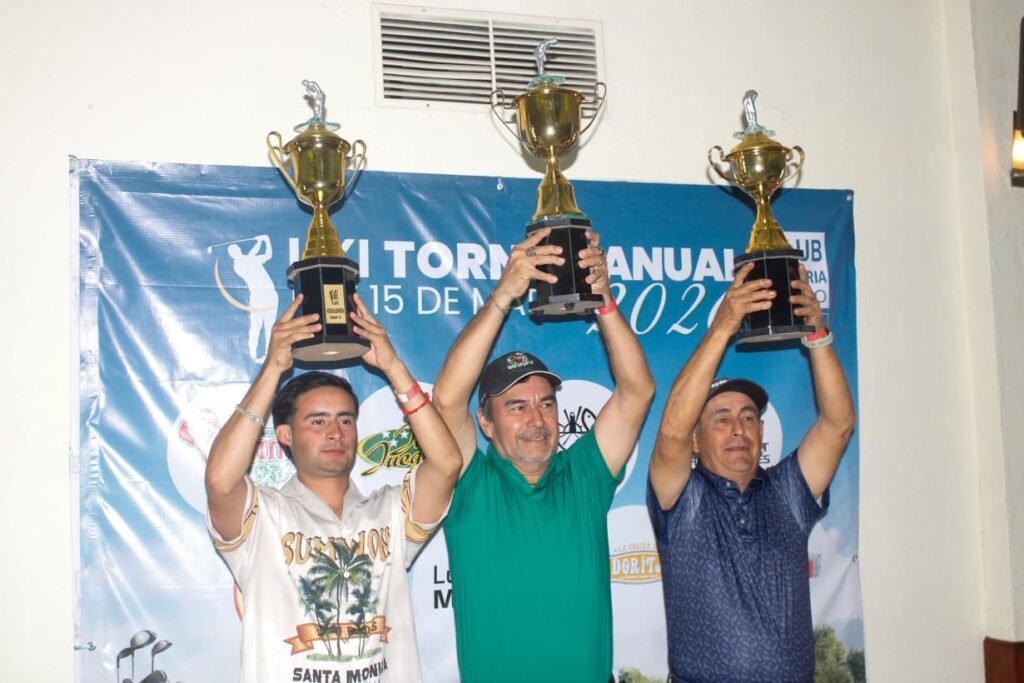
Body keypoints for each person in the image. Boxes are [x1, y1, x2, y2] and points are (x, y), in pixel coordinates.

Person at [433, 227, 655, 683]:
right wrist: (503, 296)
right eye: (517, 407)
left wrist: (603, 298)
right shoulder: (470, 483)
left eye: (546, 404)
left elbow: (637, 391)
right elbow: (448, 399)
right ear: (486, 423)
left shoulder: (584, 474)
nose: (537, 419)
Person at [205, 293, 461, 683]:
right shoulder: (264, 515)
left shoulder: (388, 512)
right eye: (317, 421)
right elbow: (220, 481)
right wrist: (273, 369)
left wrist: (393, 368)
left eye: (345, 420)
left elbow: (447, 464)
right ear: (285, 435)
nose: (335, 433)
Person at [647, 262, 856, 683]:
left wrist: (817, 334)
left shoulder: (788, 492)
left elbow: (838, 424)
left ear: (761, 431)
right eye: (721, 419)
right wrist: (724, 325)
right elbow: (671, 430)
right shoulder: (683, 498)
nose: (738, 429)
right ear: (695, 440)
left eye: (747, 417)